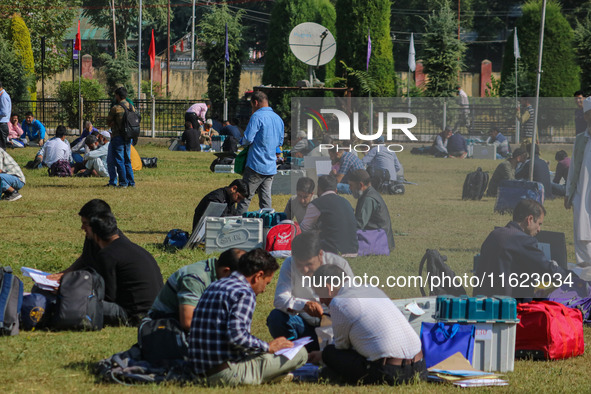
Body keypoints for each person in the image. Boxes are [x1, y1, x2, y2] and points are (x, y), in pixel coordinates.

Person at [188, 248, 306, 386]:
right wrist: (267, 347)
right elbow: (237, 336)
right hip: (225, 373)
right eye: (266, 283)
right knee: (301, 353)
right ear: (258, 276)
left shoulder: (215, 284)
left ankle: (271, 376)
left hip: (197, 371)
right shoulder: (245, 292)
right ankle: (268, 376)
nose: (264, 290)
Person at [308, 264, 426, 386]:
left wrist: (323, 355)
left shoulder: (339, 302)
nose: (321, 301)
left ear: (328, 288)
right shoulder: (371, 289)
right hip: (419, 367)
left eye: (319, 294)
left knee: (330, 353)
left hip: (389, 371)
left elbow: (341, 348)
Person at [267, 232, 354, 350]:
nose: (305, 269)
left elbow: (352, 298)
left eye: (309, 264)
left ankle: (325, 350)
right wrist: (305, 305)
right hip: (304, 324)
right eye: (300, 265)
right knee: (276, 317)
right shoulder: (289, 264)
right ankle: (294, 351)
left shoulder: (338, 264)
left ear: (320, 254)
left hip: (334, 326)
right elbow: (280, 299)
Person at [475, 199, 569, 300]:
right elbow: (547, 270)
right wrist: (573, 277)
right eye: (539, 224)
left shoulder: (494, 234)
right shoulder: (524, 241)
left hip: (481, 302)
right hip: (508, 306)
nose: (539, 229)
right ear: (529, 219)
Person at [88, 210, 163, 326]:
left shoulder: (107, 254)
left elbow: (109, 296)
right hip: (156, 311)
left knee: (82, 304)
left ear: (95, 234)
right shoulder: (132, 247)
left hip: (134, 316)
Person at [148, 248, 245, 331]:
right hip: (162, 326)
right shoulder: (195, 278)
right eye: (240, 280)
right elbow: (188, 322)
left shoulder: (217, 275)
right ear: (226, 271)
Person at [47, 199, 130, 281]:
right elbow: (85, 258)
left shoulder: (116, 246)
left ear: (98, 223)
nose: (82, 228)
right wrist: (65, 273)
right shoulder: (91, 236)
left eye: (85, 224)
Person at [236, 90, 284, 215]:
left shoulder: (257, 116)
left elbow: (247, 139)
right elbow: (280, 142)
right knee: (266, 200)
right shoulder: (278, 119)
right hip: (271, 166)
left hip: (255, 165)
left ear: (255, 102)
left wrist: (240, 141)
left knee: (244, 197)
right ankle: (267, 226)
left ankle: (236, 223)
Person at [300, 175, 358, 256]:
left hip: (331, 252)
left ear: (319, 188)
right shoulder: (346, 202)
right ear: (336, 190)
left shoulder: (316, 204)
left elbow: (304, 229)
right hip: (353, 250)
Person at [566, 96, 591, 265]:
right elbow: (573, 168)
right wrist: (569, 193)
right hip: (581, 194)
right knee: (582, 232)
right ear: (586, 116)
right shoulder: (581, 139)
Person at [348, 169, 395, 250]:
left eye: (351, 185)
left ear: (360, 185)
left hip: (380, 241)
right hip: (380, 238)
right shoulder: (368, 193)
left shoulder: (368, 198)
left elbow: (359, 225)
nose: (349, 188)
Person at [106, 87, 135, 188]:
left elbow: (108, 121)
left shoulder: (116, 108)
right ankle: (131, 182)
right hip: (129, 136)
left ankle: (123, 183)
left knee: (119, 160)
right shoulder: (131, 107)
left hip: (118, 136)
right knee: (127, 160)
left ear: (118, 96)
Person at [0, 80, 11, 150]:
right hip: (1, 124)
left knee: (2, 147)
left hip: (2, 125)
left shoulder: (3, 97)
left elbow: (4, 112)